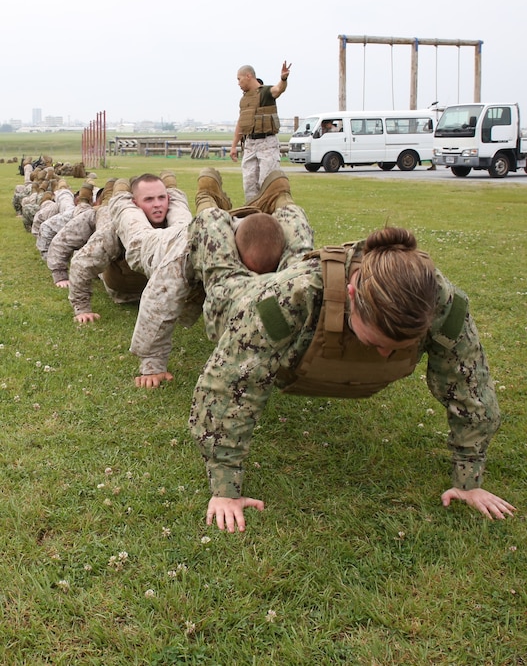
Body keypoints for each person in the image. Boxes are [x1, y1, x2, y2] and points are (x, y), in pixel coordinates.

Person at [183, 169, 515, 532]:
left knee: (297, 252)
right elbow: (229, 386)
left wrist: (469, 480)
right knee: (222, 263)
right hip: (239, 299)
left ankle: (281, 201)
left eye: (399, 349)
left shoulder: (440, 303)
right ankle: (210, 198)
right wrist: (226, 488)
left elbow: (473, 390)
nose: (384, 357)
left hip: (297, 285)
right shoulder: (291, 297)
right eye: (376, 343)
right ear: (352, 299)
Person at [109, 169, 286, 387]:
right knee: (129, 216)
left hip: (185, 229)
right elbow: (157, 304)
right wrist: (152, 365)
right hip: (153, 245)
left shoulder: (245, 232)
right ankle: (120, 192)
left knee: (180, 212)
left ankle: (170, 188)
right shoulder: (184, 257)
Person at [69, 172, 188, 323]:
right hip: (127, 291)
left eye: (162, 198)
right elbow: (81, 264)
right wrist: (82, 309)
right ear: (135, 203)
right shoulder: (117, 230)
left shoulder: (177, 228)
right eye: (149, 199)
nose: (157, 204)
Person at [230, 61, 291, 202]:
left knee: (267, 182)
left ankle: (268, 216)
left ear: (248, 76)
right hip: (250, 143)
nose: (238, 83)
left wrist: (283, 78)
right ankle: (252, 215)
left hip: (267, 143)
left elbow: (278, 89)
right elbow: (241, 123)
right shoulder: (244, 100)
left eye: (239, 79)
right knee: (249, 184)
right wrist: (234, 146)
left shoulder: (265, 93)